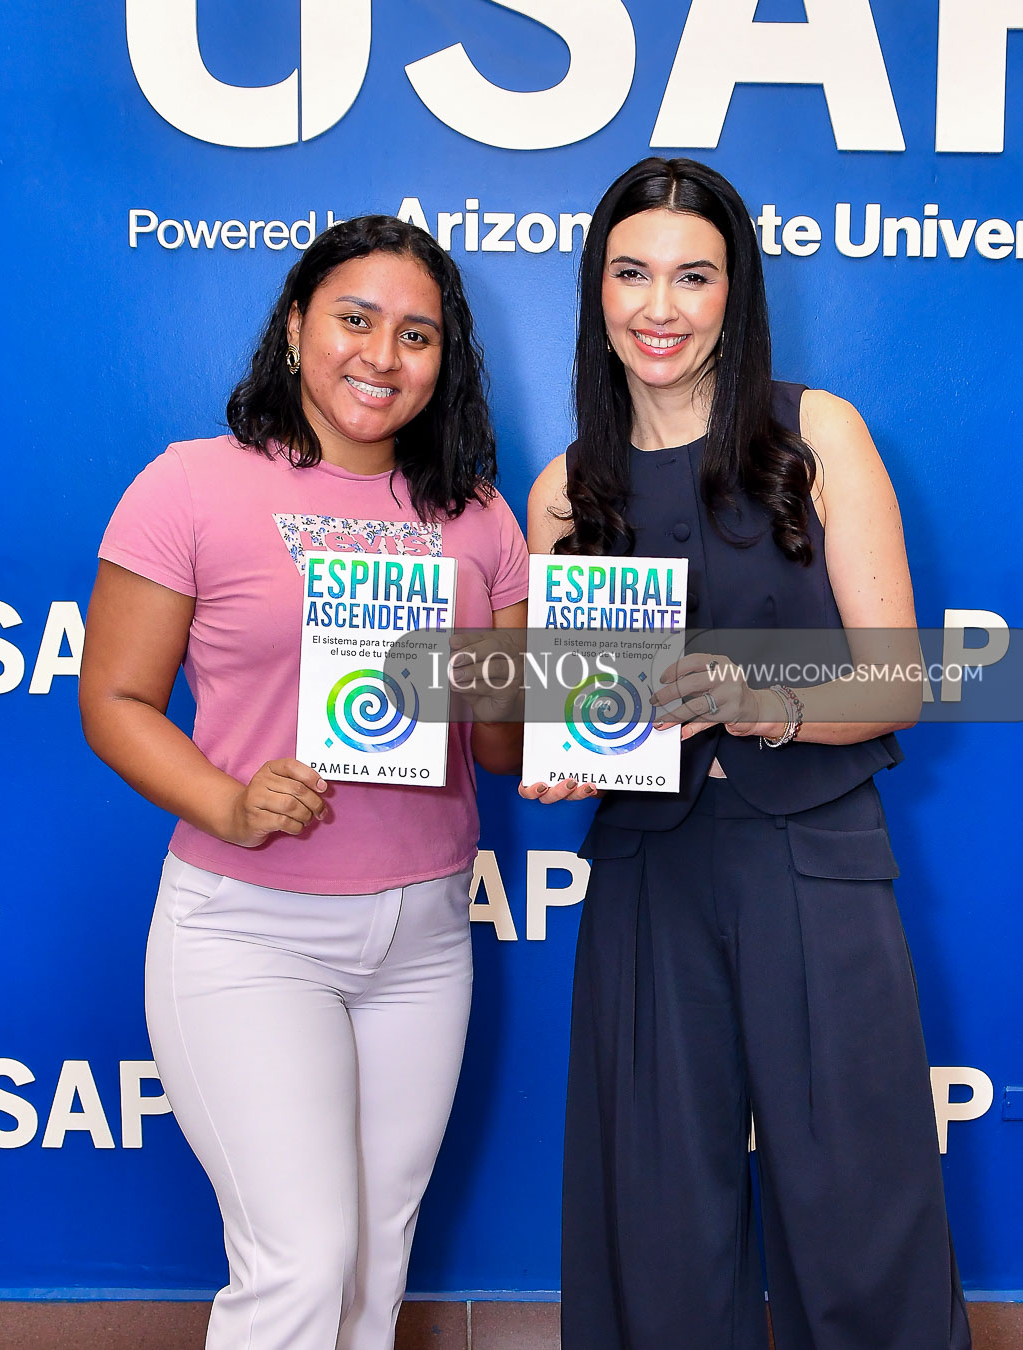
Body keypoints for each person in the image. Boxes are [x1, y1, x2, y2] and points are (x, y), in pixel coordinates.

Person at [523, 159, 971, 1350]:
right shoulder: (564, 489)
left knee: (860, 1199)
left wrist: (758, 698)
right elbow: (564, 714)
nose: (658, 307)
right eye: (632, 273)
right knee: (655, 1217)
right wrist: (562, 754)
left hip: (813, 854)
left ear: (736, 293)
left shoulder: (817, 433)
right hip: (646, 873)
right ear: (597, 289)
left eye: (693, 276)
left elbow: (900, 683)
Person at [79, 215, 528, 1350]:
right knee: (302, 1261)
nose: (382, 355)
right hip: (249, 931)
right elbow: (115, 700)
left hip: (425, 936)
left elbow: (501, 748)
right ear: (295, 326)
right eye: (355, 319)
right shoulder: (189, 486)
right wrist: (228, 802)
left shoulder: (477, 517)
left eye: (416, 334)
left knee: (374, 1264)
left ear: (446, 359)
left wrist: (584, 721)